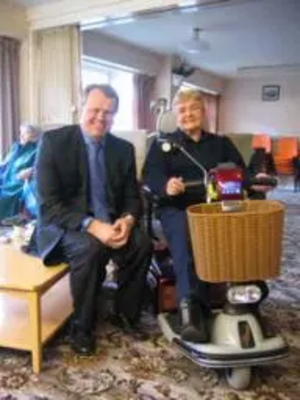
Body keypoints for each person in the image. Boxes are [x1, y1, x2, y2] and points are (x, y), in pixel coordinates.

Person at [142, 88, 272, 344]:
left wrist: (254, 181)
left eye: (194, 108)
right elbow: (150, 176)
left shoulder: (221, 143)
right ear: (176, 115)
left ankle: (249, 297)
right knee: (186, 234)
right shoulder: (163, 144)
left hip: (218, 207)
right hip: (178, 207)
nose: (188, 114)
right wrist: (166, 184)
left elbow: (240, 173)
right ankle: (192, 309)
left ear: (204, 112)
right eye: (182, 110)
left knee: (245, 232)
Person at [35, 84, 152, 356]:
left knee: (142, 244)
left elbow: (132, 198)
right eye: (95, 110)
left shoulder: (122, 149)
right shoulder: (54, 143)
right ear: (80, 108)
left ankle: (125, 314)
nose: (101, 118)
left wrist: (128, 220)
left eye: (108, 113)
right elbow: (49, 206)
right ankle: (81, 327)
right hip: (64, 225)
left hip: (111, 222)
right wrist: (92, 225)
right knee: (91, 248)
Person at [0, 124, 40, 221]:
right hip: (4, 179)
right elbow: (5, 163)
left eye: (25, 134)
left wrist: (31, 170)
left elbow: (43, 166)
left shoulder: (38, 149)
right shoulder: (16, 147)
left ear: (34, 136)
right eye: (20, 133)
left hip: (17, 185)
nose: (21, 136)